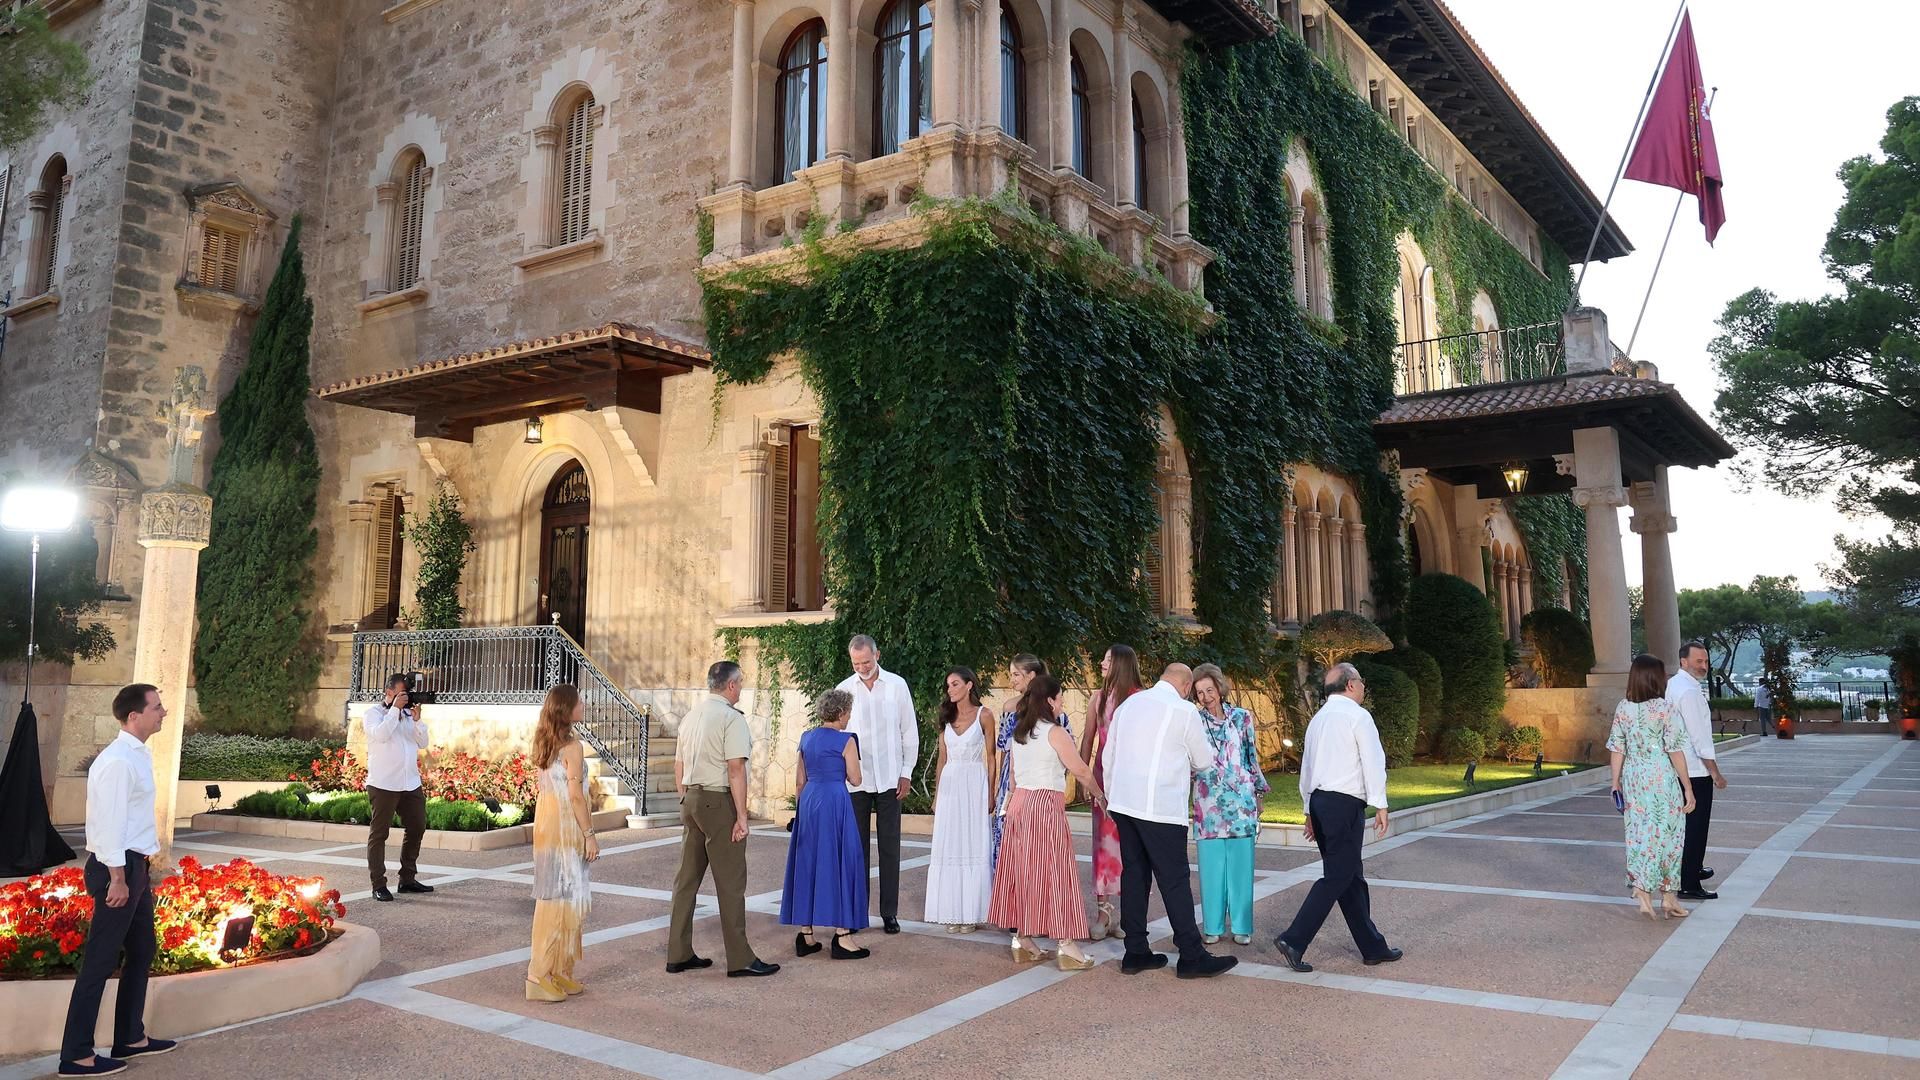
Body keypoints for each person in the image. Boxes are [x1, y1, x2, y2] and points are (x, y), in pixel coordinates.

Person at [59, 684, 177, 1077]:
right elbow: (108, 825)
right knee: (100, 961)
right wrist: (118, 879)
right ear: (134, 716)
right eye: (157, 706)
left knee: (143, 948)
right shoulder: (117, 762)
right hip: (117, 868)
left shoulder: (137, 755)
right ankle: (76, 1054)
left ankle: (130, 1036)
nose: (164, 711)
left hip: (134, 866)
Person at [1101, 663, 1237, 979]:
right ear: (1187, 685)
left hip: (1124, 803)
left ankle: (1135, 952)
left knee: (1134, 875)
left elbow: (1109, 754)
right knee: (1174, 879)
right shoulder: (1184, 710)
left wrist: (1111, 797)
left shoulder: (1129, 704)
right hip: (1160, 807)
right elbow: (1203, 761)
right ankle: (1191, 956)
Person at [1273, 662, 1400, 973]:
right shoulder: (1358, 716)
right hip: (1343, 805)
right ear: (1351, 685)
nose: (1363, 686)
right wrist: (1380, 804)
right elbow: (1372, 761)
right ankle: (1294, 938)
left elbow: (1308, 770)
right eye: (1361, 680)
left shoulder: (1318, 720)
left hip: (1320, 802)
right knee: (1339, 876)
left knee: (1351, 878)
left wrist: (1308, 811)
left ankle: (1373, 947)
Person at [668, 661, 779, 977]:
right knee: (730, 882)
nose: (741, 689)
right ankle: (740, 959)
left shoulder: (691, 717)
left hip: (691, 798)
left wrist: (684, 798)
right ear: (731, 685)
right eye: (740, 683)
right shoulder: (732, 719)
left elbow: (678, 765)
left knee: (686, 880)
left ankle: (678, 952)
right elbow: (735, 769)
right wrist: (742, 816)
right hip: (718, 801)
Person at [988, 674, 1105, 971]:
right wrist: (1100, 795)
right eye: (1060, 697)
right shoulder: (1055, 732)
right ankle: (1066, 944)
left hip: (1019, 804)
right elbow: (1079, 768)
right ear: (1050, 700)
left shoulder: (1020, 733)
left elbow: (1012, 779)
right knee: (1055, 871)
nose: (1062, 702)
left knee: (1024, 871)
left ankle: (1023, 938)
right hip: (1044, 805)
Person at [836, 634, 919, 934]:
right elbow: (837, 736)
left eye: (866, 662)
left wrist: (907, 772)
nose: (862, 668)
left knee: (890, 848)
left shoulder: (897, 685)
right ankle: (857, 913)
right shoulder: (844, 689)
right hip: (855, 782)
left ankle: (889, 913)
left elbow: (908, 731)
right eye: (856, 663)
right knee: (855, 850)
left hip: (889, 779)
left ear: (878, 656)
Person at [782, 690, 871, 959]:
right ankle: (842, 937)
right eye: (848, 712)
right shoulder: (846, 740)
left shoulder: (806, 738)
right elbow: (856, 780)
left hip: (809, 801)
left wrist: (802, 808)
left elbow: (800, 780)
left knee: (808, 861)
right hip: (834, 801)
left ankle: (806, 935)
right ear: (842, 712)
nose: (849, 716)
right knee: (841, 861)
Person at [525, 684, 599, 1001]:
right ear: (566, 709)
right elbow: (575, 796)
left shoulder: (547, 741)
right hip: (564, 828)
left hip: (548, 823)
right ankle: (538, 975)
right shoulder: (572, 747)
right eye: (579, 701)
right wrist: (590, 834)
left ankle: (559, 970)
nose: (583, 705)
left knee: (562, 897)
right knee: (557, 900)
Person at [1610, 654, 1697, 920]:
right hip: (1661, 778)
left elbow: (1617, 748)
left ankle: (1642, 891)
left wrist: (1615, 783)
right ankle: (1668, 896)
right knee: (1669, 835)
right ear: (1655, 678)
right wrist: (1688, 787)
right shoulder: (1664, 708)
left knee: (1639, 836)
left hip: (1634, 778)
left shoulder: (1623, 708)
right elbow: (1675, 751)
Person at [1189, 663, 1268, 947]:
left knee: (1241, 869)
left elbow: (1251, 758)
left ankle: (1242, 927)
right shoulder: (1193, 722)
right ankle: (1212, 927)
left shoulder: (1242, 717)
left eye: (1209, 689)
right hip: (1207, 806)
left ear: (1220, 688)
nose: (1206, 696)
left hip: (1241, 805)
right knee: (1211, 870)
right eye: (1199, 692)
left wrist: (1258, 795)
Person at [1078, 644, 1141, 940]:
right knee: (1103, 846)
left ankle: (1131, 914)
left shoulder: (1141, 699)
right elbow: (1088, 739)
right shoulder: (1098, 699)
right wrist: (1084, 777)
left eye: (1107, 659)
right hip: (1103, 782)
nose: (1101, 663)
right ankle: (1103, 913)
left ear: (1121, 664)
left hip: (1132, 782)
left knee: (1132, 847)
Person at [925, 667, 992, 933]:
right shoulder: (946, 717)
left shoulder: (985, 715)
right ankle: (952, 911)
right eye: (948, 685)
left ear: (969, 685)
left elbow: (992, 757)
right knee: (950, 845)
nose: (950, 689)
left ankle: (973, 914)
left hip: (975, 783)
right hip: (951, 784)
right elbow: (942, 759)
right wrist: (936, 795)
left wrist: (991, 792)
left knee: (973, 843)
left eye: (954, 684)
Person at [364, 673, 432, 903]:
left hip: (410, 782)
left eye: (407, 694)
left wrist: (417, 720)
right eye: (402, 693)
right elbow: (381, 735)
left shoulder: (406, 715)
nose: (405, 698)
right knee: (379, 833)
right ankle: (378, 884)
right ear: (389, 691)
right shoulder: (373, 714)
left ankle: (407, 879)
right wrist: (394, 710)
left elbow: (423, 743)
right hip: (384, 784)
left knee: (417, 826)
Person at [1667, 642, 1727, 900]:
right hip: (1694, 769)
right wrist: (1715, 772)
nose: (1703, 666)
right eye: (1698, 662)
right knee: (1696, 826)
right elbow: (1699, 738)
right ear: (1683, 661)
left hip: (1682, 767)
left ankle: (1692, 869)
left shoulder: (1676, 684)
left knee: (1687, 826)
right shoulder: (1689, 692)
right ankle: (1689, 883)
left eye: (1705, 661)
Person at [990, 654, 1048, 875]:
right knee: (1005, 836)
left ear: (1031, 675)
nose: (1011, 680)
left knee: (1036, 841)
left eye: (1016, 674)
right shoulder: (1009, 707)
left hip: (1039, 780)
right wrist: (1000, 789)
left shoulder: (1051, 705)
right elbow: (1003, 750)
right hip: (1010, 781)